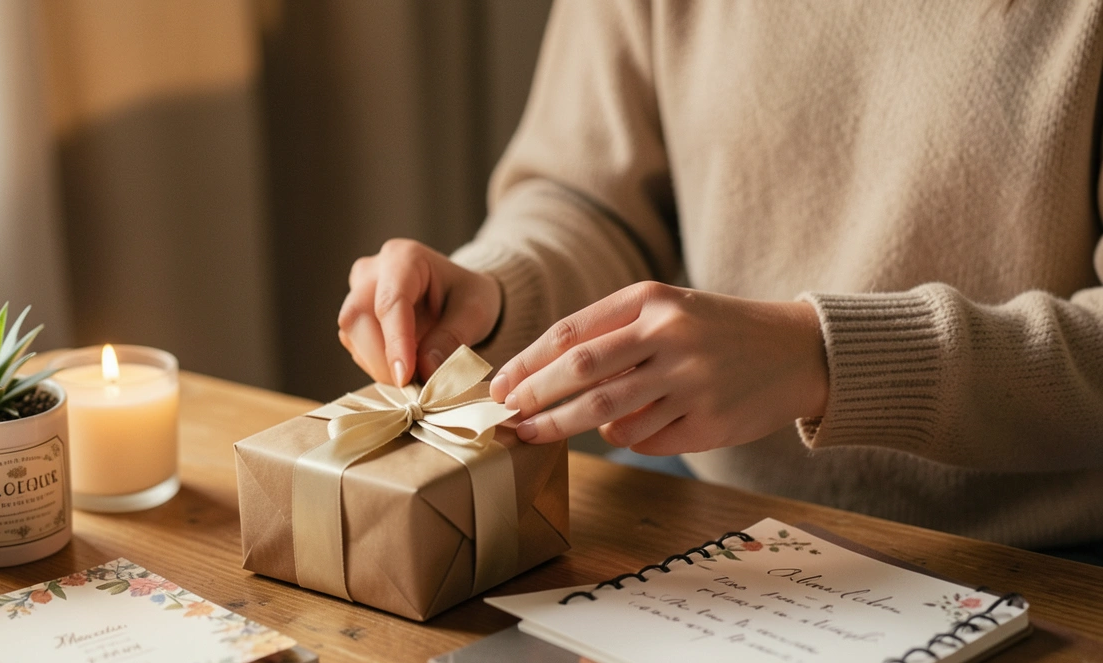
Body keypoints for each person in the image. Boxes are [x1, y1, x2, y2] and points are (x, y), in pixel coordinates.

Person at [337, 1, 1103, 555]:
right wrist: (497, 288)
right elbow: (591, 197)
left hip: (1041, 550)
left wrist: (824, 359)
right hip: (709, 507)